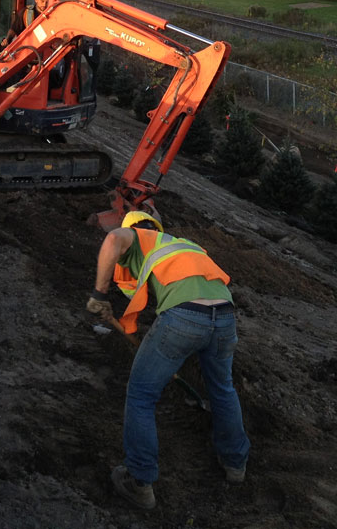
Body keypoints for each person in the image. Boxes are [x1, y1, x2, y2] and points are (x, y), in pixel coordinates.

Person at [86, 210, 250, 510]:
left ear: (135, 229)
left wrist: (99, 293)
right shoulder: (183, 245)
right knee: (222, 389)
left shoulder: (137, 236)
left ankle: (139, 481)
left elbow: (112, 239)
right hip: (225, 317)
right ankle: (235, 465)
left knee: (141, 394)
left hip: (184, 316)